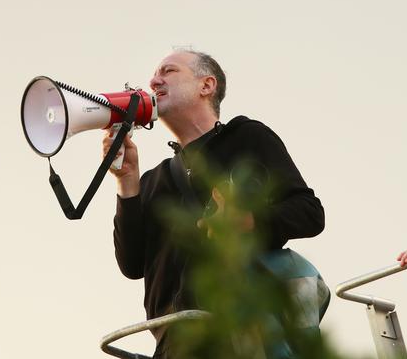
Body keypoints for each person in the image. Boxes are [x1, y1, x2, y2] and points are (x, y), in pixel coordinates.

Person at [103, 50, 325, 357]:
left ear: (206, 85)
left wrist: (247, 221)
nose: (154, 80)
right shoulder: (154, 180)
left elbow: (310, 213)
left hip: (241, 335)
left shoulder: (247, 138)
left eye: (169, 71)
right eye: (155, 73)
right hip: (174, 345)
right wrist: (127, 183)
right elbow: (131, 265)